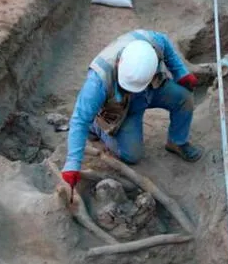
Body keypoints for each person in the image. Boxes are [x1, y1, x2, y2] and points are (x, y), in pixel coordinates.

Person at [61, 29, 203, 194]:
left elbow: (166, 44)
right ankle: (96, 127)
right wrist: (72, 163)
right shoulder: (98, 80)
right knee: (132, 155)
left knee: (184, 97)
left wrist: (181, 73)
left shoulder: (153, 42)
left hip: (151, 89)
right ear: (120, 63)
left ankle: (177, 142)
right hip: (123, 106)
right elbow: (79, 119)